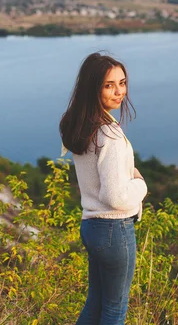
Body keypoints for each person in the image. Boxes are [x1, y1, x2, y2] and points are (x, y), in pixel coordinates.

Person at [60, 52, 148, 324]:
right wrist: (141, 185)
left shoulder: (82, 125)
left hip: (91, 226)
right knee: (114, 309)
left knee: (95, 304)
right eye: (109, 85)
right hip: (114, 228)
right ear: (92, 87)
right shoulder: (108, 134)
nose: (119, 91)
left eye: (122, 83)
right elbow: (115, 196)